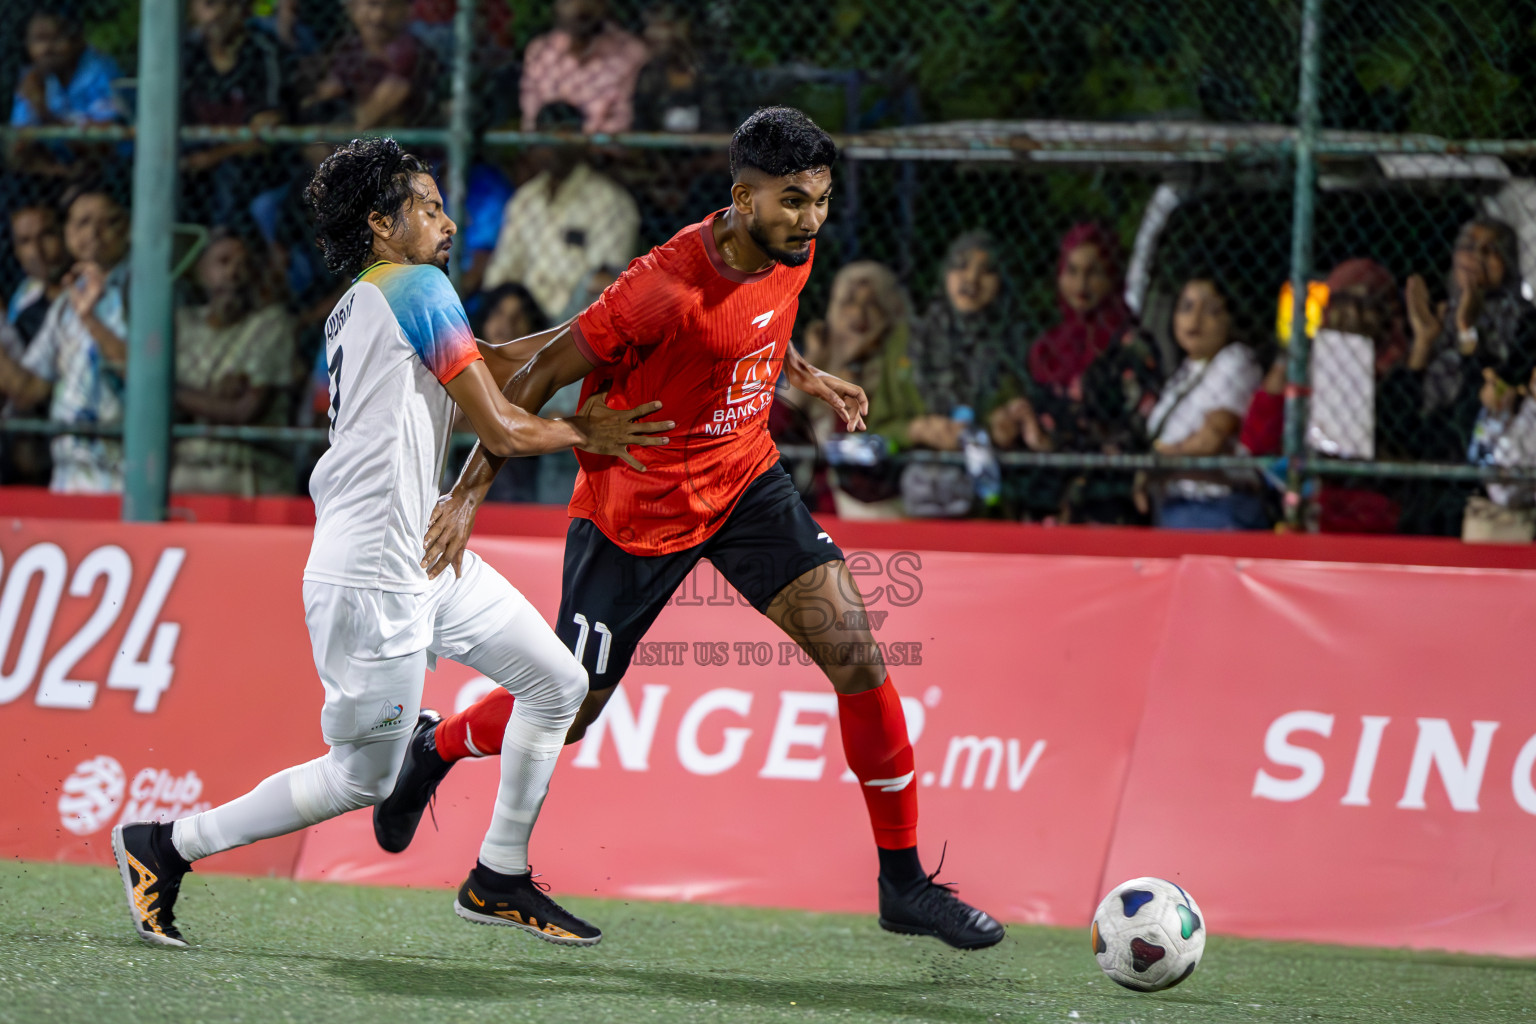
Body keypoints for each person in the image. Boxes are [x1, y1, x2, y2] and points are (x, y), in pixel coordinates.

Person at [372, 108, 1005, 951]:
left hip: (746, 484)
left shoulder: (793, 247)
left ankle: (904, 883)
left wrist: (808, 377)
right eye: (792, 202)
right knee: (574, 710)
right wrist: (467, 494)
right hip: (636, 513)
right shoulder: (659, 286)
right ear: (741, 198)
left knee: (856, 651)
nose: (811, 219)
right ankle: (436, 748)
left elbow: (758, 326)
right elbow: (535, 375)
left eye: (819, 199)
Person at [110, 137, 671, 949]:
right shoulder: (418, 285)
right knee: (361, 779)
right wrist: (589, 430)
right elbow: (504, 429)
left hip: (422, 551)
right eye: (429, 207)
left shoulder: (378, 294)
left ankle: (498, 875)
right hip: (373, 569)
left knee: (558, 683)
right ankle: (165, 845)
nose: (449, 220)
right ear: (381, 223)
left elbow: (497, 359)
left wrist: (602, 331)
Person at [993, 223, 1162, 523]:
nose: (1081, 284)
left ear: (1112, 276)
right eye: (1072, 271)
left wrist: (1057, 440)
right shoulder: (1047, 348)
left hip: (1107, 496)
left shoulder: (1132, 346)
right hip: (1044, 496)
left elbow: (1136, 429)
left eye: (1094, 272)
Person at [0, 184, 131, 493]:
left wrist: (90, 319)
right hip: (69, 478)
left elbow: (144, 374)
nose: (94, 233)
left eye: (108, 222)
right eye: (82, 223)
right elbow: (30, 388)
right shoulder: (64, 304)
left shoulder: (147, 289)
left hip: (125, 477)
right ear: (69, 234)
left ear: (128, 227)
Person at [900, 231, 1027, 518]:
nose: (971, 279)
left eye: (987, 271)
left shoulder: (1014, 343)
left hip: (993, 493)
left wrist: (1002, 425)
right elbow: (880, 420)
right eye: (960, 265)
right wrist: (918, 429)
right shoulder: (913, 339)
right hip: (916, 486)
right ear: (944, 274)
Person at [782, 260, 922, 515]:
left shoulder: (902, 369)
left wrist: (859, 362)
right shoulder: (819, 359)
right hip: (814, 505)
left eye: (873, 305)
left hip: (883, 502)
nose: (859, 314)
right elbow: (775, 424)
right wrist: (810, 362)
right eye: (849, 302)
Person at [482, 101, 640, 320]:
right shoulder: (524, 200)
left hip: (577, 325)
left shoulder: (610, 202)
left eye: (563, 135)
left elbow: (605, 284)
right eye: (545, 135)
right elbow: (500, 275)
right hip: (524, 322)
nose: (552, 144)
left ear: (580, 142)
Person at [171, 231, 299, 496]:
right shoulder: (182, 324)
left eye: (245, 265)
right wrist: (213, 399)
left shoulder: (270, 325)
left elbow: (245, 411)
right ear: (200, 271)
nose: (234, 273)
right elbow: (158, 407)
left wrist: (176, 393)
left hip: (249, 477)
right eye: (224, 262)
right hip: (186, 473)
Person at [1404, 217, 1536, 457]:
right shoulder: (1440, 315)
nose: (1477, 255)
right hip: (1423, 446)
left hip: (1480, 449)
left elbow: (1489, 402)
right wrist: (1423, 341)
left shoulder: (1525, 320)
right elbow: (1401, 421)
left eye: (1492, 249)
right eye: (1467, 246)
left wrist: (1468, 329)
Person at [1140, 276, 1263, 530]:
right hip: (1174, 503)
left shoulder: (1234, 360)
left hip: (1215, 505)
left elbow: (1211, 439)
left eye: (1211, 310)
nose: (1195, 320)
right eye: (1186, 308)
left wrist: (1158, 460)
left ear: (1230, 318)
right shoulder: (1184, 372)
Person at [179, 0, 288, 227]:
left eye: (228, 5)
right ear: (193, 10)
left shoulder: (261, 50)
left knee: (231, 174)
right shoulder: (187, 53)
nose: (218, 14)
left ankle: (224, 235)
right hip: (196, 155)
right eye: (208, 4)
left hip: (250, 166)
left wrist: (213, 157)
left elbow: (265, 133)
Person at [9, 8, 125, 178]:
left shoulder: (100, 71)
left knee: (91, 203)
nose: (46, 49)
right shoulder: (33, 79)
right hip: (56, 171)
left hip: (110, 169)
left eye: (56, 38)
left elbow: (102, 144)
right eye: (38, 40)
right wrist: (58, 172)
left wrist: (44, 113)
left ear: (78, 39)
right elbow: (19, 148)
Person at [304, 0, 441, 129]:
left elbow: (375, 111)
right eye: (372, 4)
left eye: (391, 6)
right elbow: (329, 91)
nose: (378, 16)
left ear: (407, 11)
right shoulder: (348, 50)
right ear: (353, 8)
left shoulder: (410, 50)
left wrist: (345, 130)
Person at [519, 0, 647, 134]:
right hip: (546, 146)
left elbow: (621, 124)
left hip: (601, 149)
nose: (576, 6)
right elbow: (530, 121)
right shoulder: (540, 51)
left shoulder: (629, 53)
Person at [8, 202, 70, 344]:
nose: (37, 251)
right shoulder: (22, 301)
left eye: (46, 235)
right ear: (16, 252)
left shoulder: (97, 286)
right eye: (25, 241)